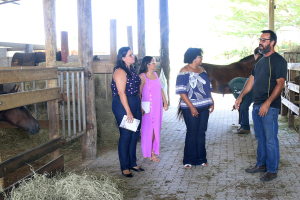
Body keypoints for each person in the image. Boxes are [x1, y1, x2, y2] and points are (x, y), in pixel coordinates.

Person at [235, 30, 287, 182]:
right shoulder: (259, 60)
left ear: (272, 42)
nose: (261, 42)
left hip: (269, 106)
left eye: (264, 40)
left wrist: (267, 103)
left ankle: (272, 170)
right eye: (260, 39)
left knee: (270, 139)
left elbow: (280, 83)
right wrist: (240, 97)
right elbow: (251, 79)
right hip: (257, 105)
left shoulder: (279, 60)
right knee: (260, 137)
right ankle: (261, 164)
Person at [176, 48, 214, 169]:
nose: (201, 58)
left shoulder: (203, 70)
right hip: (189, 107)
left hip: (204, 106)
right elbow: (182, 92)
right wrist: (191, 107)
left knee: (202, 132)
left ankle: (201, 158)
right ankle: (189, 160)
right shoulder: (184, 71)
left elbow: (208, 88)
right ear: (193, 57)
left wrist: (211, 101)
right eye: (199, 56)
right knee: (192, 132)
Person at [111, 47, 144, 178]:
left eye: (132, 54)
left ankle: (132, 163)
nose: (133, 56)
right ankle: (125, 167)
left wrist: (139, 105)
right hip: (123, 104)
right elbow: (121, 92)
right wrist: (128, 111)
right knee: (126, 135)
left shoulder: (132, 69)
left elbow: (137, 89)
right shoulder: (120, 71)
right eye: (130, 55)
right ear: (123, 57)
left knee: (134, 135)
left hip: (134, 102)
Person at [219, 47, 262, 134]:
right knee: (242, 106)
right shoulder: (232, 88)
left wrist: (239, 100)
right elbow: (239, 97)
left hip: (252, 90)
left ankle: (246, 127)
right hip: (251, 91)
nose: (227, 93)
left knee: (243, 107)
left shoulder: (233, 84)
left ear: (225, 88)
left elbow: (245, 88)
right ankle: (243, 125)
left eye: (225, 91)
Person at [138, 56, 168, 162]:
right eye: (153, 62)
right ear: (147, 65)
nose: (155, 64)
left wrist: (165, 101)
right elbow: (139, 93)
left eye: (155, 62)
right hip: (148, 108)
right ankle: (150, 153)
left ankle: (151, 150)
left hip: (157, 106)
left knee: (157, 129)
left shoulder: (155, 74)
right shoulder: (142, 76)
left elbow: (160, 89)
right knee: (150, 130)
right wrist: (140, 107)